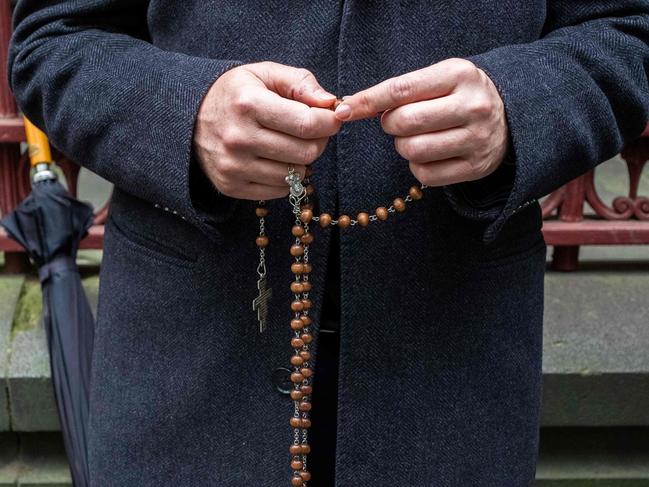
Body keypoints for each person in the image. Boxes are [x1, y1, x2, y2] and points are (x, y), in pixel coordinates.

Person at [8, 1, 649, 486]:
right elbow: (52, 40)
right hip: (187, 356)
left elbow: (629, 30)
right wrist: (184, 112)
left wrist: (520, 105)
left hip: (456, 362)